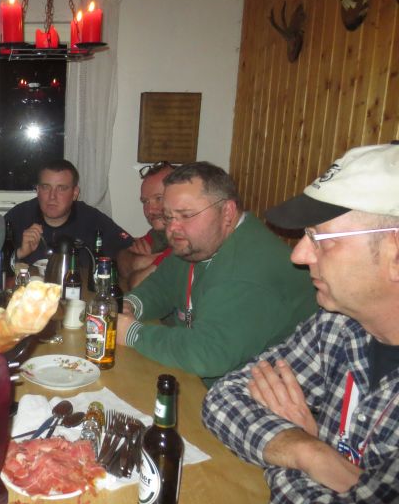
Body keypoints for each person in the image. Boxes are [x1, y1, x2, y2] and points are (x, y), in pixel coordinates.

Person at [202, 143, 399, 504]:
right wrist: (309, 450)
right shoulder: (339, 326)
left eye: (319, 239)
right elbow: (223, 398)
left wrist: (286, 454)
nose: (298, 254)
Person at [116, 162, 317, 386]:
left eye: (186, 215)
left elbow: (207, 354)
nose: (173, 228)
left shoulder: (250, 269)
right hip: (201, 378)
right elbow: (161, 286)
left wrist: (133, 333)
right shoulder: (199, 244)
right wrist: (130, 305)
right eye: (169, 217)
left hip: (248, 394)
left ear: (227, 212)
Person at [5, 159, 134, 267]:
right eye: (46, 187)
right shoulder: (19, 216)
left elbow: (129, 249)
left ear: (75, 193)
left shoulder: (92, 219)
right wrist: (19, 253)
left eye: (61, 188)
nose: (52, 196)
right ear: (38, 190)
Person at [117, 162, 175, 289]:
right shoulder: (158, 233)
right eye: (145, 201)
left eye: (159, 198)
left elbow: (136, 282)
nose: (150, 210)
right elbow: (122, 260)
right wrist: (142, 262)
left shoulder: (190, 237)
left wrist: (146, 263)